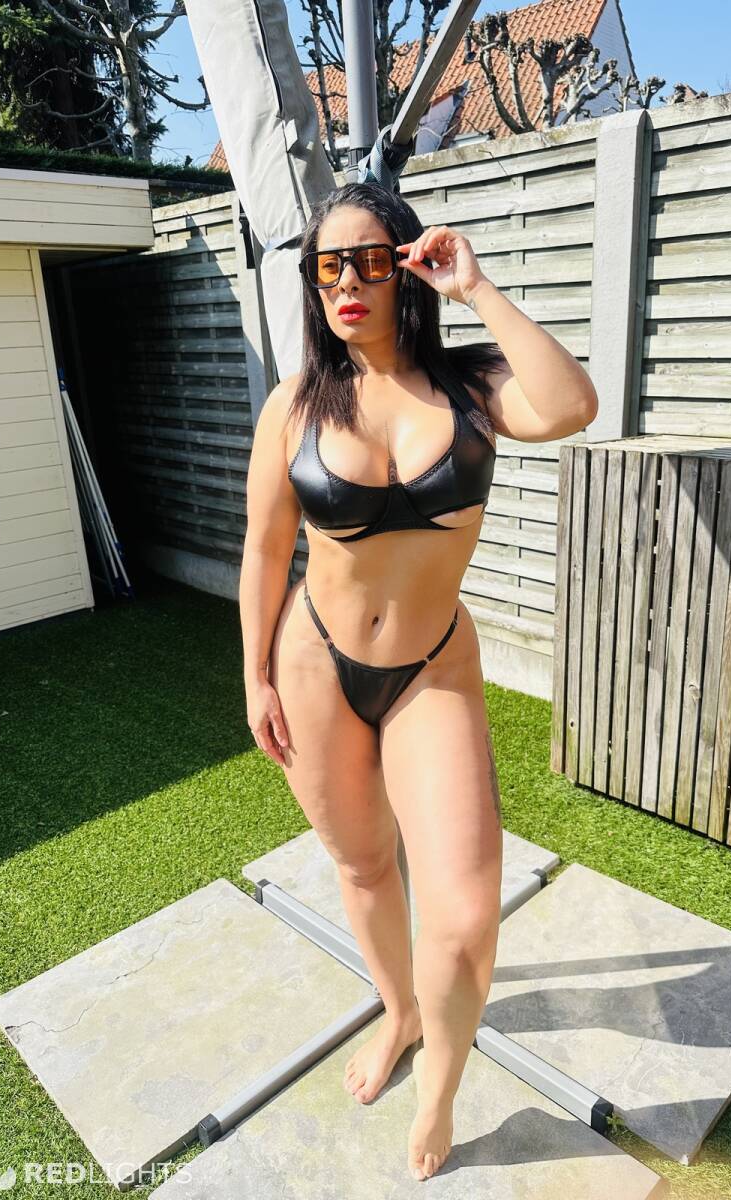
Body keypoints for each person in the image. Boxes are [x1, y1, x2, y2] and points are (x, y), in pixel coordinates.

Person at [239, 181, 597, 1181]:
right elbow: (264, 551)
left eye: (369, 260)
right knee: (363, 867)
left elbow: (572, 405)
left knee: (466, 912)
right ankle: (398, 1011)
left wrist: (476, 288)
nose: (346, 282)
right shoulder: (295, 406)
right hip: (315, 663)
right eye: (328, 266)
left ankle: (440, 1081)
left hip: (432, 666)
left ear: (408, 266)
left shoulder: (472, 387)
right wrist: (255, 677)